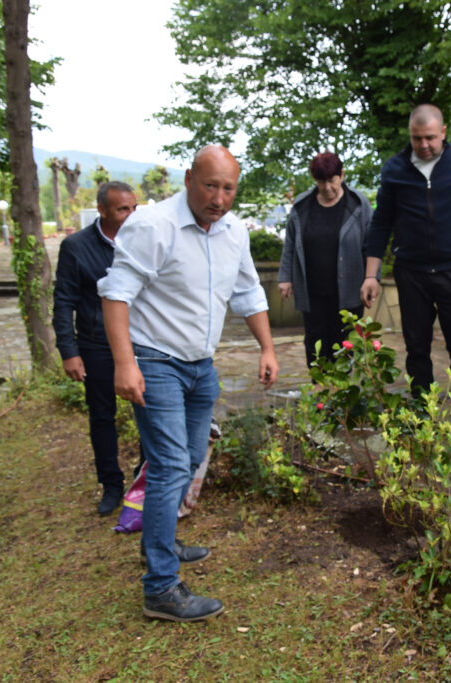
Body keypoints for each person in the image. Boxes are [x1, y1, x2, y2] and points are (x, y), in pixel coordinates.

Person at [98, 145, 279, 622]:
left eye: (228, 188)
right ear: (188, 179)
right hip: (155, 359)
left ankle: (157, 542)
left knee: (193, 456)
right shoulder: (153, 225)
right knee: (171, 463)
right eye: (210, 186)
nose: (219, 199)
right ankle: (160, 587)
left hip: (201, 364)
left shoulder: (234, 232)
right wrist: (124, 364)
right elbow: (116, 294)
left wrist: (267, 347)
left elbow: (248, 291)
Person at [361, 104, 451, 434]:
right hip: (412, 273)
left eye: (430, 138)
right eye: (417, 138)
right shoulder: (394, 169)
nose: (424, 145)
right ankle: (422, 422)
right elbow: (381, 223)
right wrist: (371, 275)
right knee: (417, 350)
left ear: (443, 133)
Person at [52, 181, 138, 516]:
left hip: (139, 340)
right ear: (102, 210)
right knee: (102, 416)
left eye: (134, 208)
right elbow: (64, 301)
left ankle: (145, 478)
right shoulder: (76, 247)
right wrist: (68, 351)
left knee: (150, 410)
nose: (130, 215)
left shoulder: (142, 238)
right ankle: (111, 484)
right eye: (122, 209)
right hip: (96, 344)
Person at [278, 152, 372, 366]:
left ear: (342, 175)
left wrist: (371, 278)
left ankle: (342, 385)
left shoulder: (358, 204)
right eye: (321, 181)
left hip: (349, 289)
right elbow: (291, 243)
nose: (327, 187)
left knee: (345, 342)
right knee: (315, 342)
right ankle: (319, 384)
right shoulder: (302, 206)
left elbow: (370, 245)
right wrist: (285, 277)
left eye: (332, 180)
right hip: (313, 292)